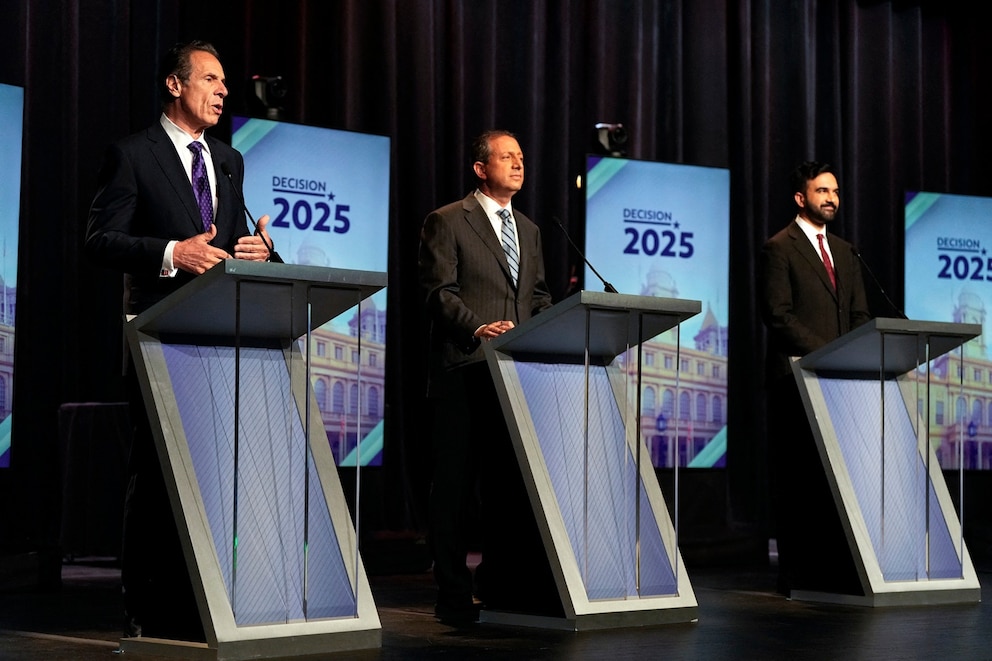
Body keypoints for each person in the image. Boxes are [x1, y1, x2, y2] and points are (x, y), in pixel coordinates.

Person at [85, 40, 274, 640]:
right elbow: (99, 240)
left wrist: (260, 252)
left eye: (225, 82)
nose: (223, 91)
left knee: (212, 477)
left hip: (219, 337)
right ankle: (144, 605)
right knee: (157, 475)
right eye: (211, 79)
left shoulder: (228, 160)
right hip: (157, 337)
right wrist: (171, 252)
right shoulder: (132, 154)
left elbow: (232, 239)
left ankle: (202, 600)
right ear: (175, 84)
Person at [417, 130, 560, 624]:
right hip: (465, 369)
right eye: (507, 157)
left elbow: (537, 298)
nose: (518, 164)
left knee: (508, 488)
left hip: (516, 377)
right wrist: (476, 326)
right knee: (455, 487)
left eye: (522, 157)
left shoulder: (531, 229)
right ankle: (452, 593)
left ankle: (501, 584)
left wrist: (548, 328)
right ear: (481, 168)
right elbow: (438, 292)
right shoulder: (449, 220)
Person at [758, 160, 872, 596]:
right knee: (799, 481)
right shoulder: (779, 248)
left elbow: (860, 313)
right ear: (800, 198)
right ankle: (797, 575)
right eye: (822, 191)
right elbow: (777, 315)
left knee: (837, 480)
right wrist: (827, 352)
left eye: (836, 192)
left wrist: (851, 354)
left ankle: (837, 571)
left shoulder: (846, 251)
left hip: (842, 382)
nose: (832, 199)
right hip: (796, 380)